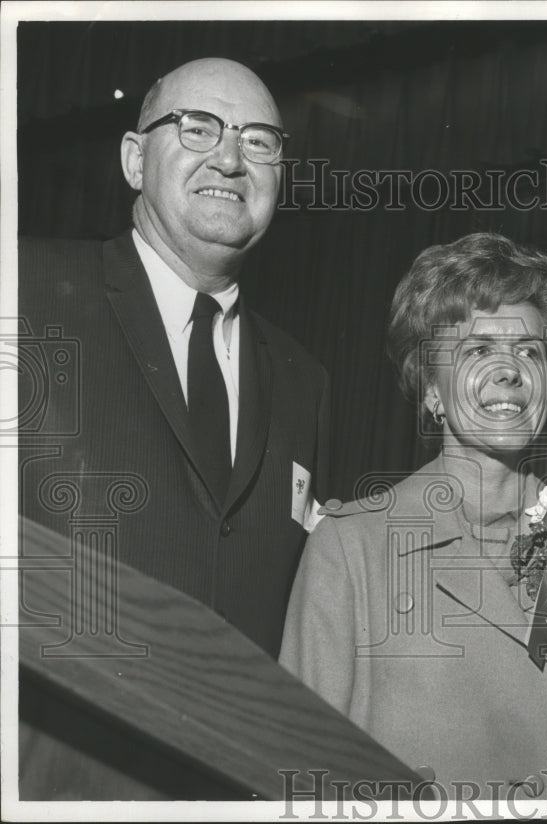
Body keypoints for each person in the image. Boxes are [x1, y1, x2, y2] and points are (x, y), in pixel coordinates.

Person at [280, 232, 547, 800]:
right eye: (477, 350)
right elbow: (305, 777)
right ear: (431, 386)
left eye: (530, 351)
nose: (508, 371)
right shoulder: (351, 548)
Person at [18, 58, 331, 658]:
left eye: (258, 142)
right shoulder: (24, 286)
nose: (231, 160)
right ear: (136, 160)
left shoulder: (304, 383)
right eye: (197, 128)